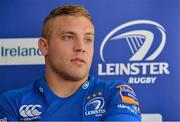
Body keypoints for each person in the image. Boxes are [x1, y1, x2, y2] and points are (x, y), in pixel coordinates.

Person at [0, 4, 141, 121]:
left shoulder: (115, 93)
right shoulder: (11, 102)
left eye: (88, 39)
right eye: (68, 37)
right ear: (44, 46)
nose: (80, 47)